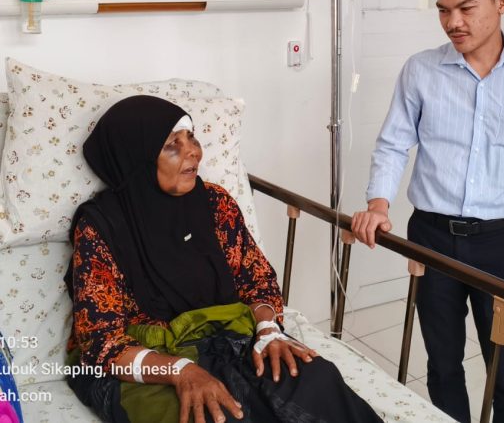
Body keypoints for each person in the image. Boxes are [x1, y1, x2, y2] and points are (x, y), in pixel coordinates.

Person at [351, 0, 504, 423]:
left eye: (466, 8)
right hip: (430, 237)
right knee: (442, 361)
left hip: (499, 242)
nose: (453, 22)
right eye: (443, 9)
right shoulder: (421, 71)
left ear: (502, 1)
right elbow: (393, 144)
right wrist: (379, 203)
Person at [65, 95, 382, 423]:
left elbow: (257, 281)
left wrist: (268, 329)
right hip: (141, 360)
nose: (193, 151)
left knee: (314, 380)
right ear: (136, 158)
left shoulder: (215, 204)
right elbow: (102, 343)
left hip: (222, 337)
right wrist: (181, 371)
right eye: (173, 144)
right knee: (211, 416)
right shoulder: (101, 228)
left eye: (192, 138)